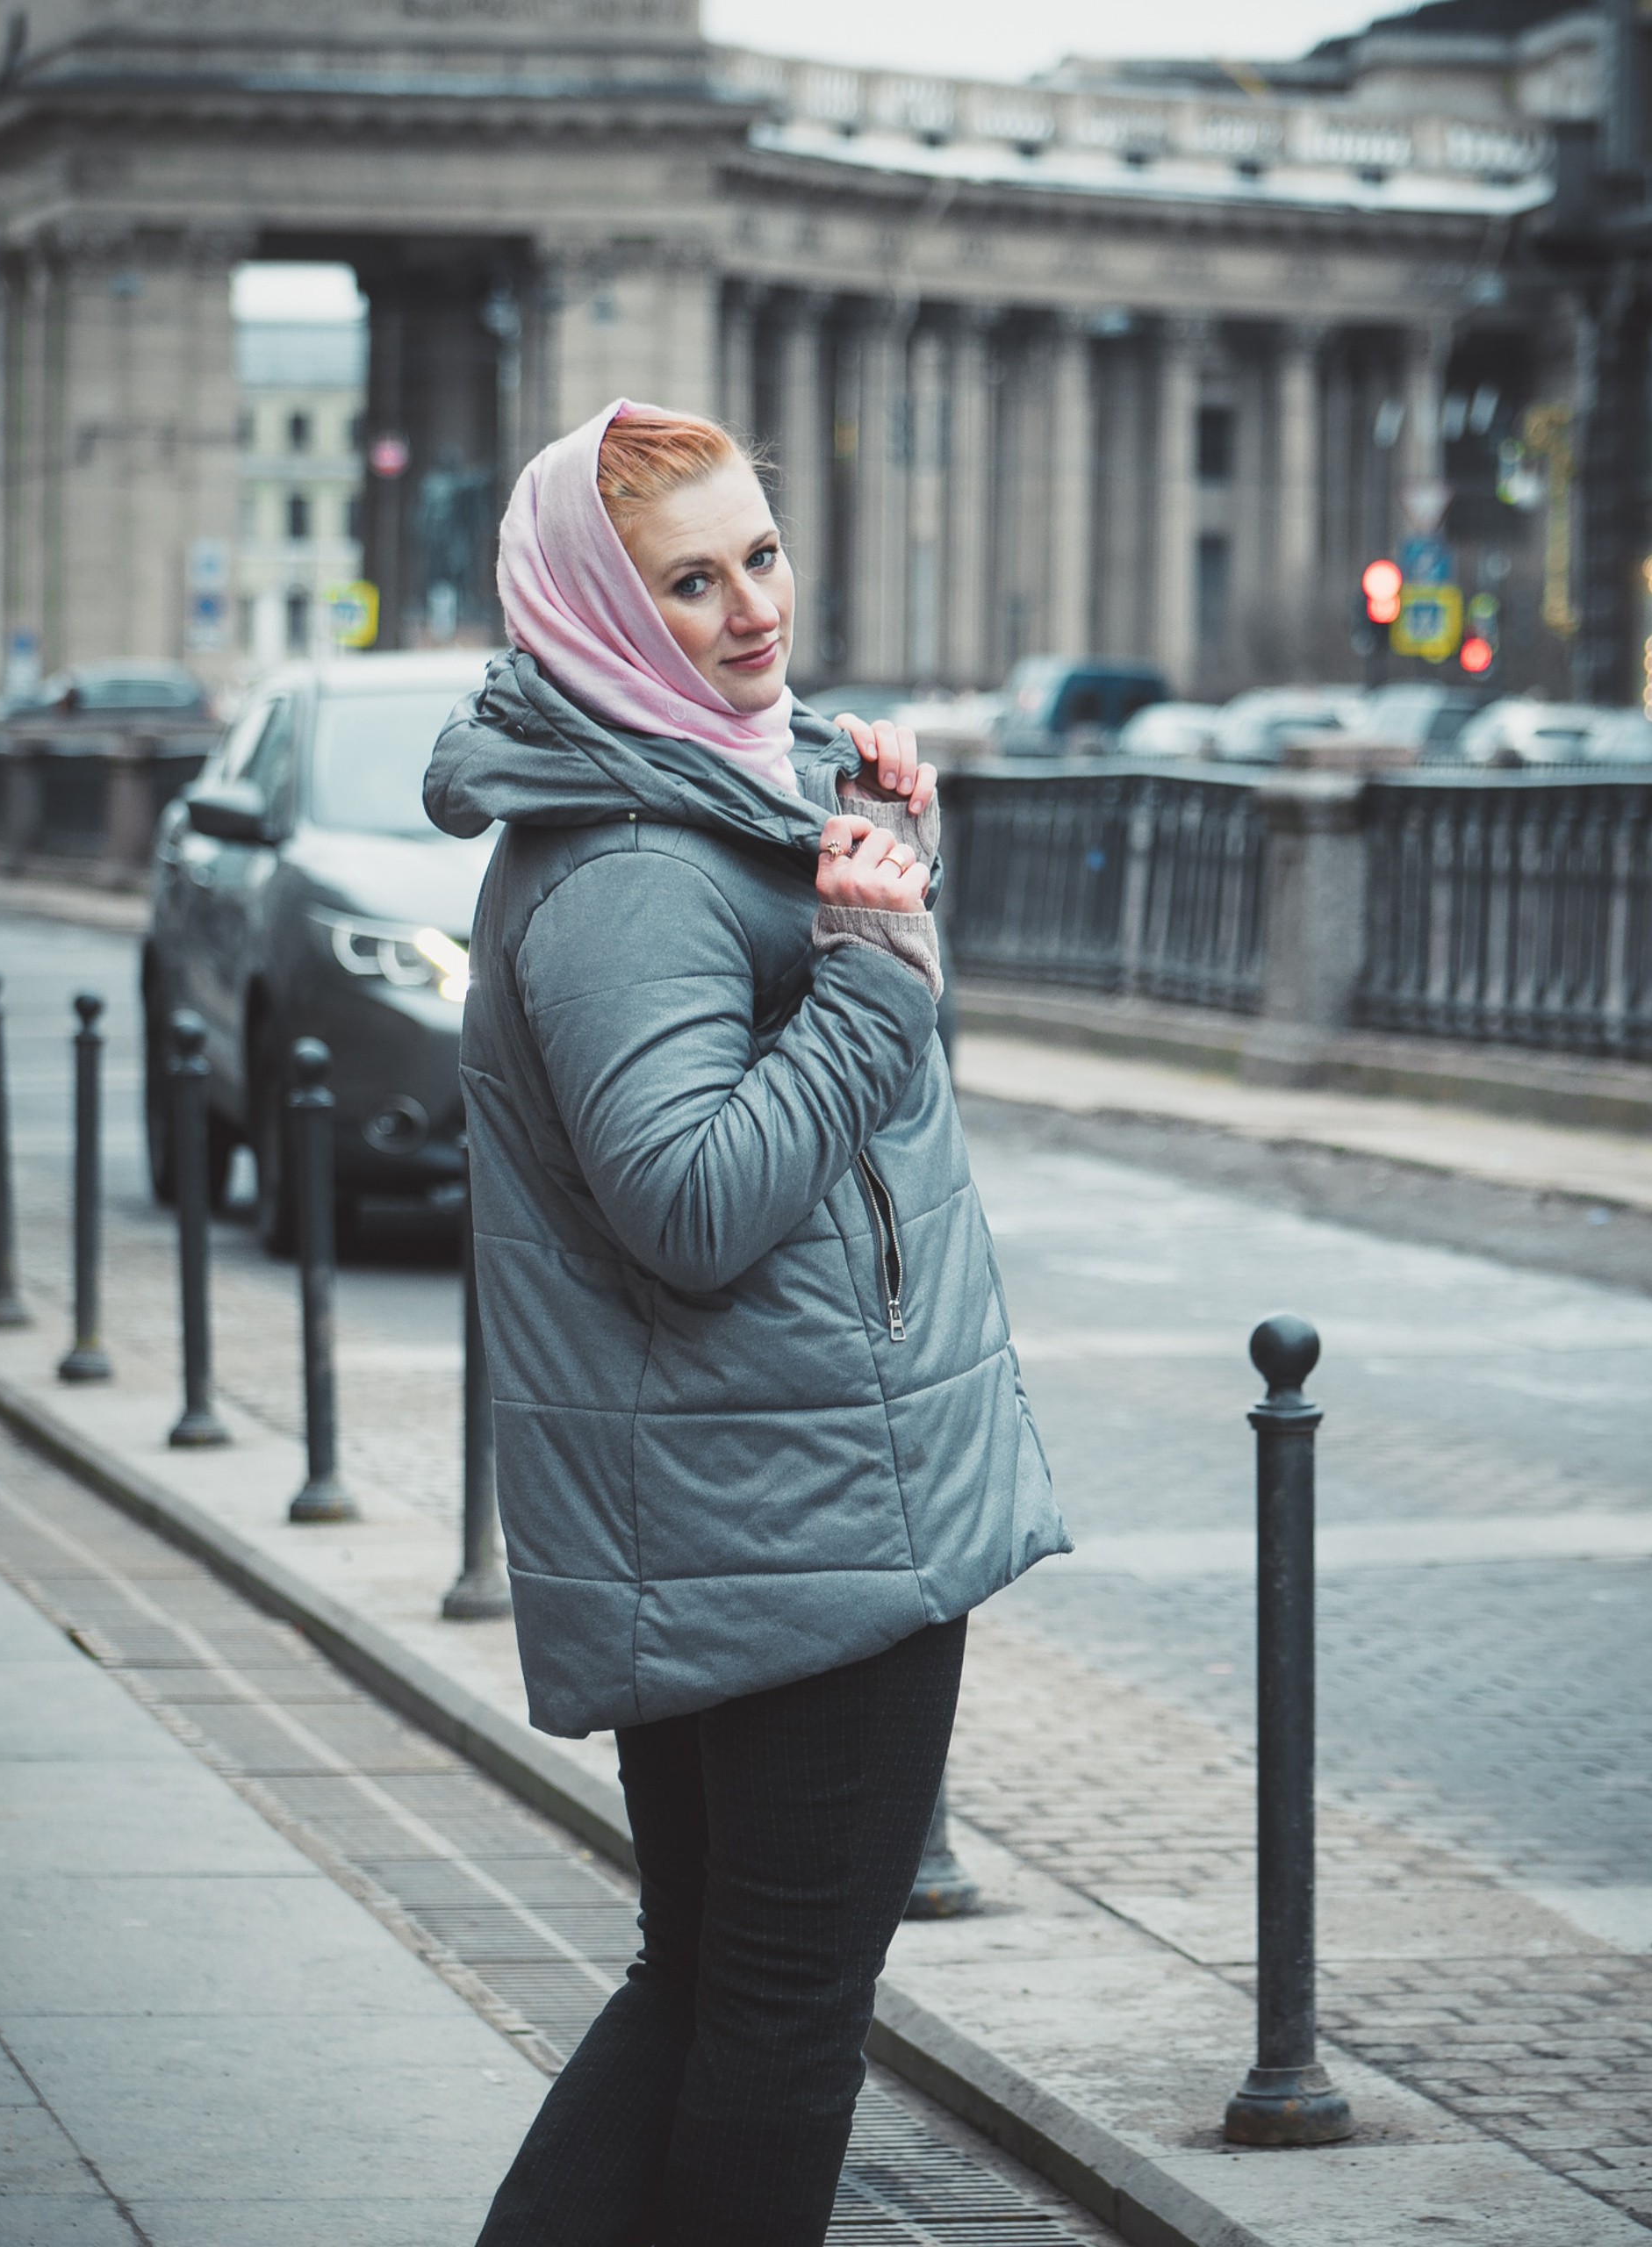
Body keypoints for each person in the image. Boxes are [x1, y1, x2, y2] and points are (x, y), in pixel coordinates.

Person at [425, 398, 1067, 2246]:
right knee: (776, 2020)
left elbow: (757, 1014)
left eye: (757, 556)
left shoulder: (691, 781)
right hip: (790, 1519)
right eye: (685, 582)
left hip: (758, 1498)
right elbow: (693, 1203)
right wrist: (874, 980)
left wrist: (850, 850)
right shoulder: (626, 862)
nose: (747, 611)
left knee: (707, 1983)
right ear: (596, 614)